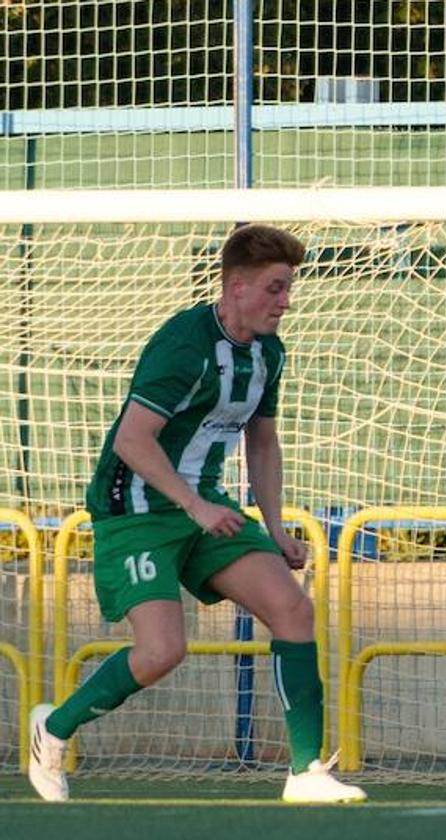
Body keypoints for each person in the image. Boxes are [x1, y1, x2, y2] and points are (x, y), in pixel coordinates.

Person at [28, 224, 366, 804]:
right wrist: (195, 506)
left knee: (292, 608)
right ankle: (53, 729)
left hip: (206, 507)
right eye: (275, 288)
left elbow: (262, 442)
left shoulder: (268, 353)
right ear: (235, 287)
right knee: (162, 652)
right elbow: (133, 440)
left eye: (288, 289)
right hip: (135, 508)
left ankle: (305, 772)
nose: (286, 301)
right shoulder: (185, 344)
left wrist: (277, 526)